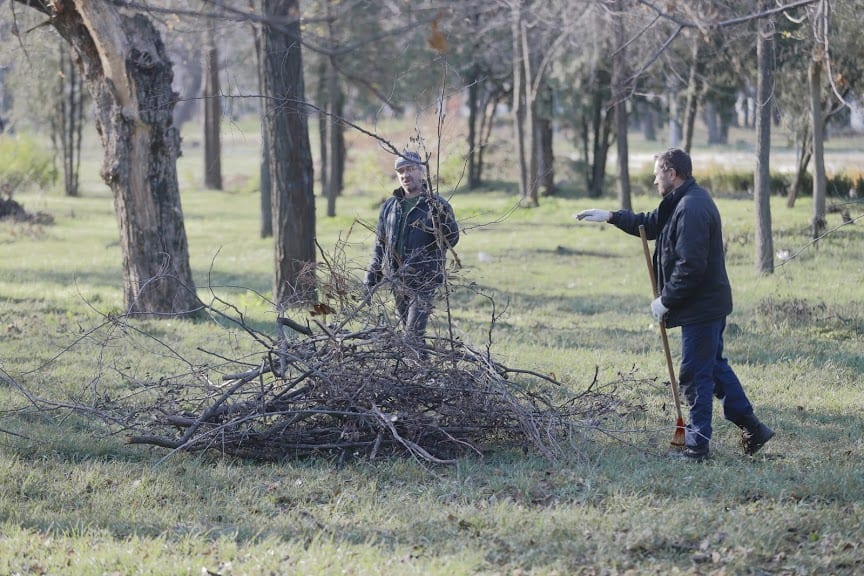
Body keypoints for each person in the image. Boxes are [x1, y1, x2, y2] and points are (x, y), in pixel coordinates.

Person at [576, 148, 774, 461]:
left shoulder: (692, 207)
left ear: (672, 173)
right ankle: (754, 428)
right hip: (705, 304)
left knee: (696, 374)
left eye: (657, 173)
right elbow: (650, 225)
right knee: (714, 367)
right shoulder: (679, 201)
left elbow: (691, 265)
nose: (654, 180)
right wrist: (612, 216)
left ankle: (696, 446)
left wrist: (666, 301)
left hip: (702, 306)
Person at [365, 151, 459, 347]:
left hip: (424, 280)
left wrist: (440, 217)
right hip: (397, 279)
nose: (405, 175)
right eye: (400, 171)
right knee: (413, 338)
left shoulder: (436, 204)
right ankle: (424, 370)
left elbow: (452, 239)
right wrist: (373, 271)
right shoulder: (390, 206)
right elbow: (380, 243)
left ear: (421, 171)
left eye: (410, 169)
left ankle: (417, 371)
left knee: (411, 337)